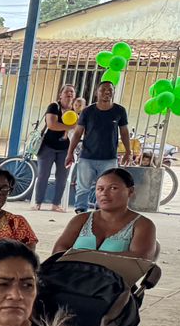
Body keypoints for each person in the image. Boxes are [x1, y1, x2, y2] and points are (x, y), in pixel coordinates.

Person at [51, 166, 158, 260]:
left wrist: (83, 257)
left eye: (113, 188)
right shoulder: (81, 219)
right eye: (100, 189)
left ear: (130, 191)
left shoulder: (142, 225)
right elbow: (58, 250)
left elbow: (141, 259)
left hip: (116, 277)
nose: (104, 193)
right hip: (71, 275)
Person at [66, 79, 132, 212]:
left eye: (110, 90)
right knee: (83, 187)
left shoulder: (119, 111)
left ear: (113, 92)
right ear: (97, 92)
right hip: (87, 157)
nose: (107, 92)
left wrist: (128, 151)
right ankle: (80, 211)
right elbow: (78, 133)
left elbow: (124, 132)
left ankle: (102, 210)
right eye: (103, 90)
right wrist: (70, 153)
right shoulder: (87, 111)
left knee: (108, 187)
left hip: (109, 158)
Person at [35, 84, 77, 211]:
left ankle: (56, 204)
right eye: (67, 91)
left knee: (62, 177)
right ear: (60, 95)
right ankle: (38, 202)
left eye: (72, 92)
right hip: (48, 146)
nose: (69, 94)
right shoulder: (54, 106)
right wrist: (71, 126)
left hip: (65, 149)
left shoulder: (75, 111)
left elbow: (80, 128)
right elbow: (52, 124)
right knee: (43, 175)